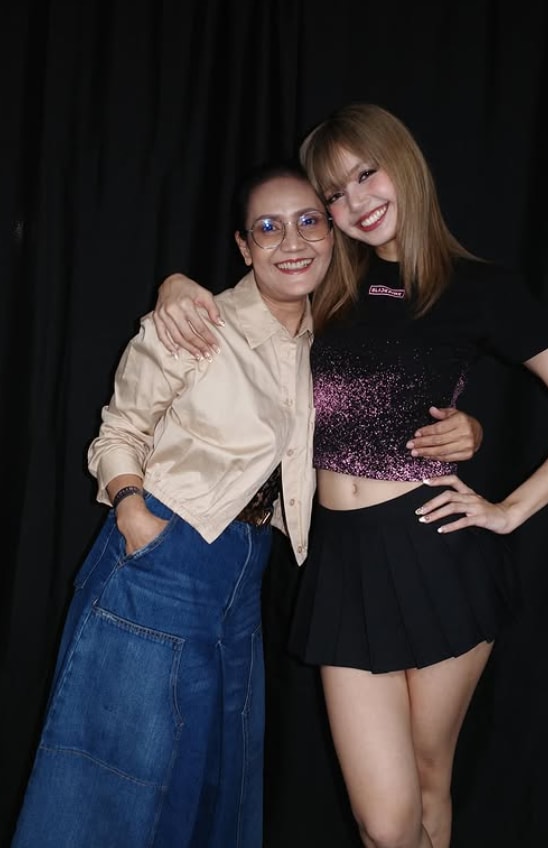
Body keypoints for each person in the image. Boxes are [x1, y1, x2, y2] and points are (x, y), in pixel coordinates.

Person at [150, 102, 548, 848]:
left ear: (403, 163)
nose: (355, 201)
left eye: (365, 174)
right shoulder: (326, 286)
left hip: (437, 553)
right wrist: (173, 283)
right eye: (335, 193)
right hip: (342, 564)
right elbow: (235, 310)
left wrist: (511, 509)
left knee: (429, 778)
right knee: (384, 823)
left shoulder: (482, 288)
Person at [11, 162, 335, 848]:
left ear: (333, 232)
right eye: (268, 227)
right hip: (163, 556)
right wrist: (133, 515)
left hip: (245, 573)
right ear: (244, 246)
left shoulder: (328, 343)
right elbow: (118, 432)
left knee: (215, 782)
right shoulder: (195, 320)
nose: (292, 241)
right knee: (115, 781)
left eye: (309, 221)